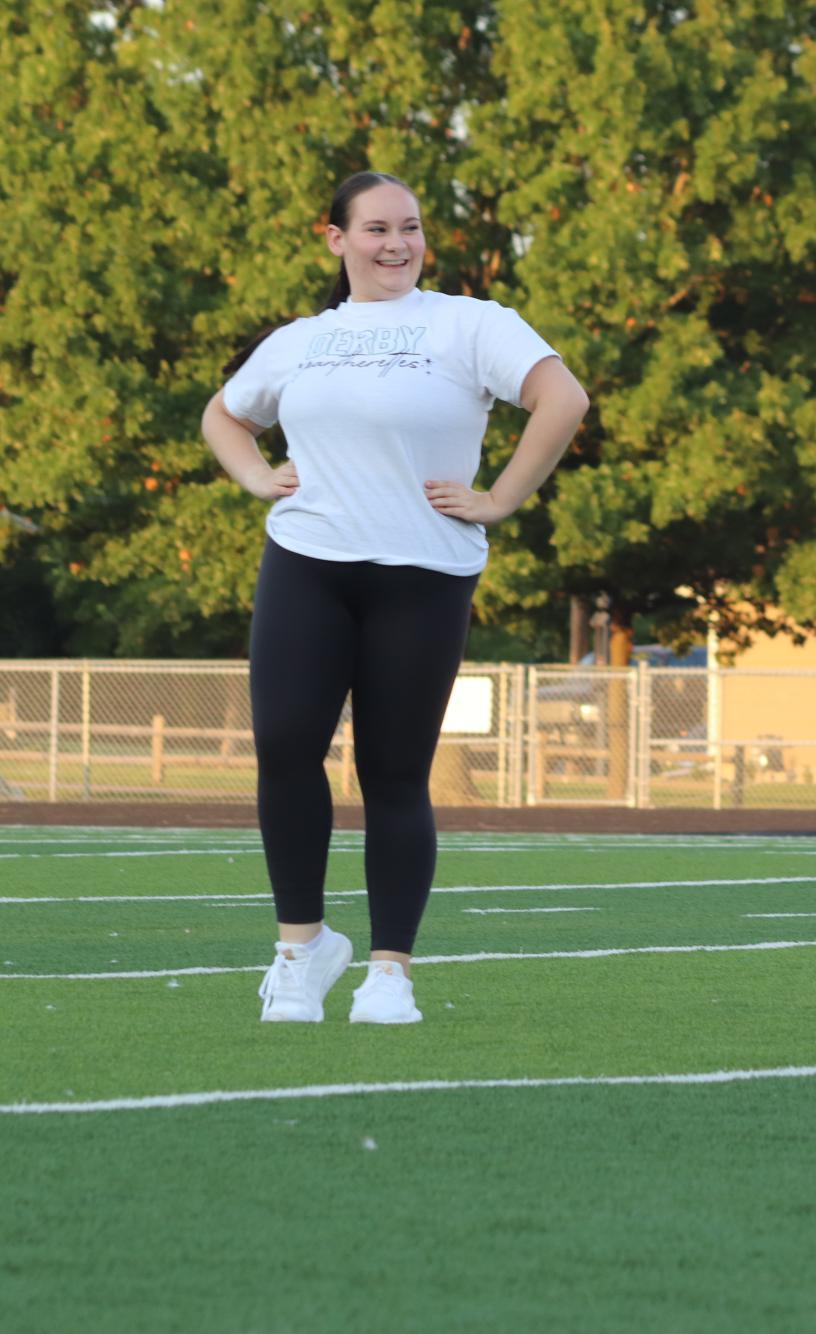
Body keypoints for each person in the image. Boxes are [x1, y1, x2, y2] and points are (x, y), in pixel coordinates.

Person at [203, 170, 589, 1025]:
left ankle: (389, 973)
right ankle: (300, 951)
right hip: (308, 563)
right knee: (285, 747)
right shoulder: (300, 339)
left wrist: (501, 498)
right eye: (376, 229)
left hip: (422, 575)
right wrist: (259, 477)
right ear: (335, 239)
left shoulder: (469, 322)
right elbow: (223, 417)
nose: (397, 245)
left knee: (393, 773)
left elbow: (562, 398)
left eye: (409, 228)